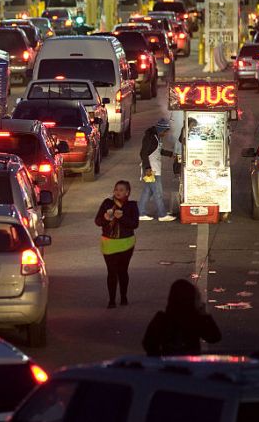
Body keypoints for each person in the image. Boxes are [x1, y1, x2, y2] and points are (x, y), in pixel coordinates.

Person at [142, 279, 222, 356]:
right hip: (190, 365)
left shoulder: (162, 319)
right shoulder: (193, 320)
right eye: (197, 298)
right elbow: (214, 337)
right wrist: (204, 315)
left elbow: (148, 344)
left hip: (168, 364)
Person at [94, 180, 140, 308]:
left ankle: (124, 296)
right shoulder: (107, 203)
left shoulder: (131, 206)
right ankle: (112, 300)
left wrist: (122, 217)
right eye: (116, 189)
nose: (118, 192)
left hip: (126, 243)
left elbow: (135, 224)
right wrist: (105, 218)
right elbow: (97, 221)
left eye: (121, 190)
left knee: (122, 270)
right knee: (111, 271)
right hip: (109, 242)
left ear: (127, 192)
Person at [138, 118, 176, 222]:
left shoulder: (157, 138)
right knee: (158, 192)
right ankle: (162, 215)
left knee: (148, 191)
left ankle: (140, 213)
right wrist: (147, 168)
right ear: (160, 129)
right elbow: (143, 153)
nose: (165, 134)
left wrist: (170, 154)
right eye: (165, 131)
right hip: (150, 170)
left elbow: (158, 151)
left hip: (154, 169)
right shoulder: (150, 138)